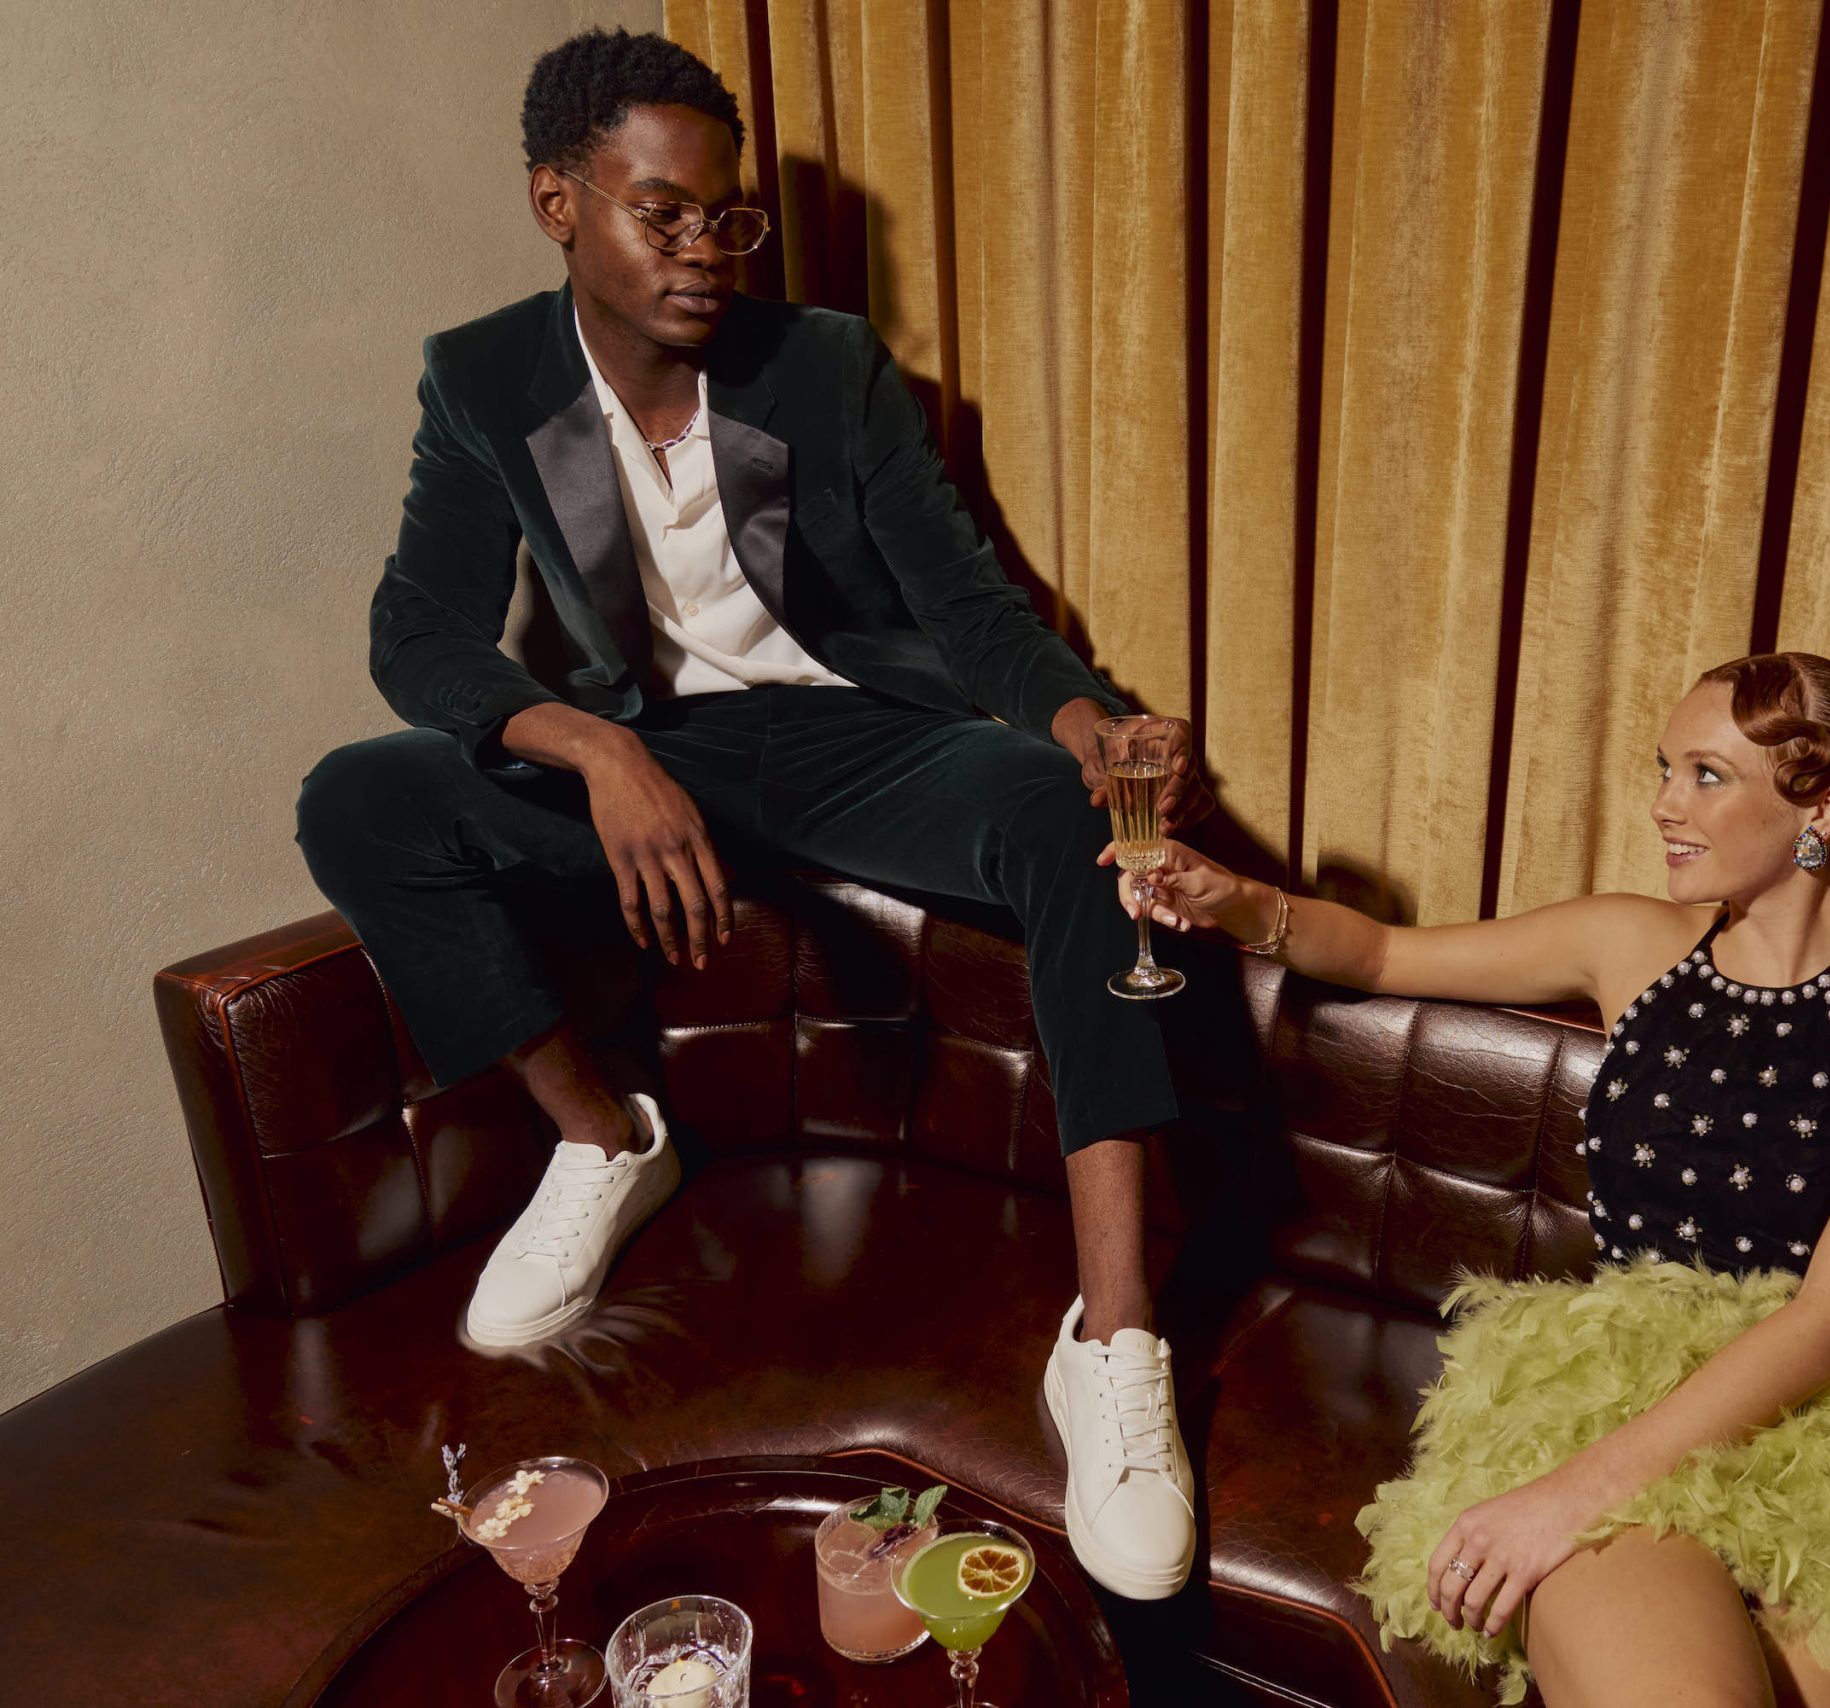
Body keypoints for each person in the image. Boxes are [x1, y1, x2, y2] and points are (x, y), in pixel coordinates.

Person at [293, 29, 1199, 1600]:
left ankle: (1112, 1347)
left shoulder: (825, 367)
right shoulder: (483, 381)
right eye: (664, 214)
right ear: (558, 203)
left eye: (730, 219)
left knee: (1063, 811)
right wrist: (591, 746)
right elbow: (415, 631)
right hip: (645, 754)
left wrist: (1085, 720)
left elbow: (968, 605)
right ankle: (603, 1141)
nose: (706, 252)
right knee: (359, 800)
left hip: (852, 740)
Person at [1101, 652, 1830, 1705]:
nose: (1665, 805)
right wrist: (1236, 900)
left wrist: (1566, 1497)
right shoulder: (1630, 940)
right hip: (1621, 1394)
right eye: (1664, 769)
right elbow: (1389, 956)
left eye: (1707, 777)